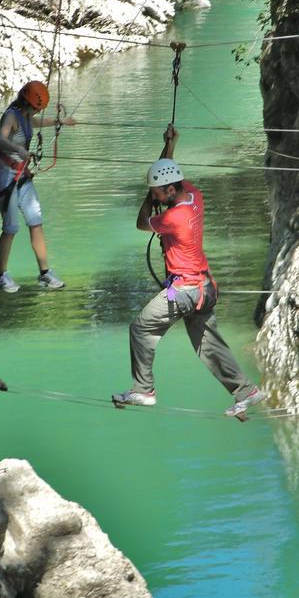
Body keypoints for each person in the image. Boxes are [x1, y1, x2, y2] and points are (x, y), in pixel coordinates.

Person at [112, 124, 266, 417]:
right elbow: (168, 172)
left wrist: (149, 199)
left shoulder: (174, 217)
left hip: (184, 290)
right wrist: (169, 146)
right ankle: (247, 391)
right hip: (205, 288)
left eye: (158, 194)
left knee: (141, 327)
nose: (156, 198)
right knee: (208, 345)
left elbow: (141, 221)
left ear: (170, 190)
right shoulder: (194, 195)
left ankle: (143, 389)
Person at [0, 80, 75, 292]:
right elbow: (0, 139)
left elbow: (36, 123)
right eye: (37, 108)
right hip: (5, 175)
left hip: (22, 175)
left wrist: (60, 121)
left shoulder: (26, 115)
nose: (37, 111)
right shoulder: (11, 116)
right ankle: (1, 276)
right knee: (11, 227)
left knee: (35, 220)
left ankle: (44, 273)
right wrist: (18, 150)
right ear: (30, 104)